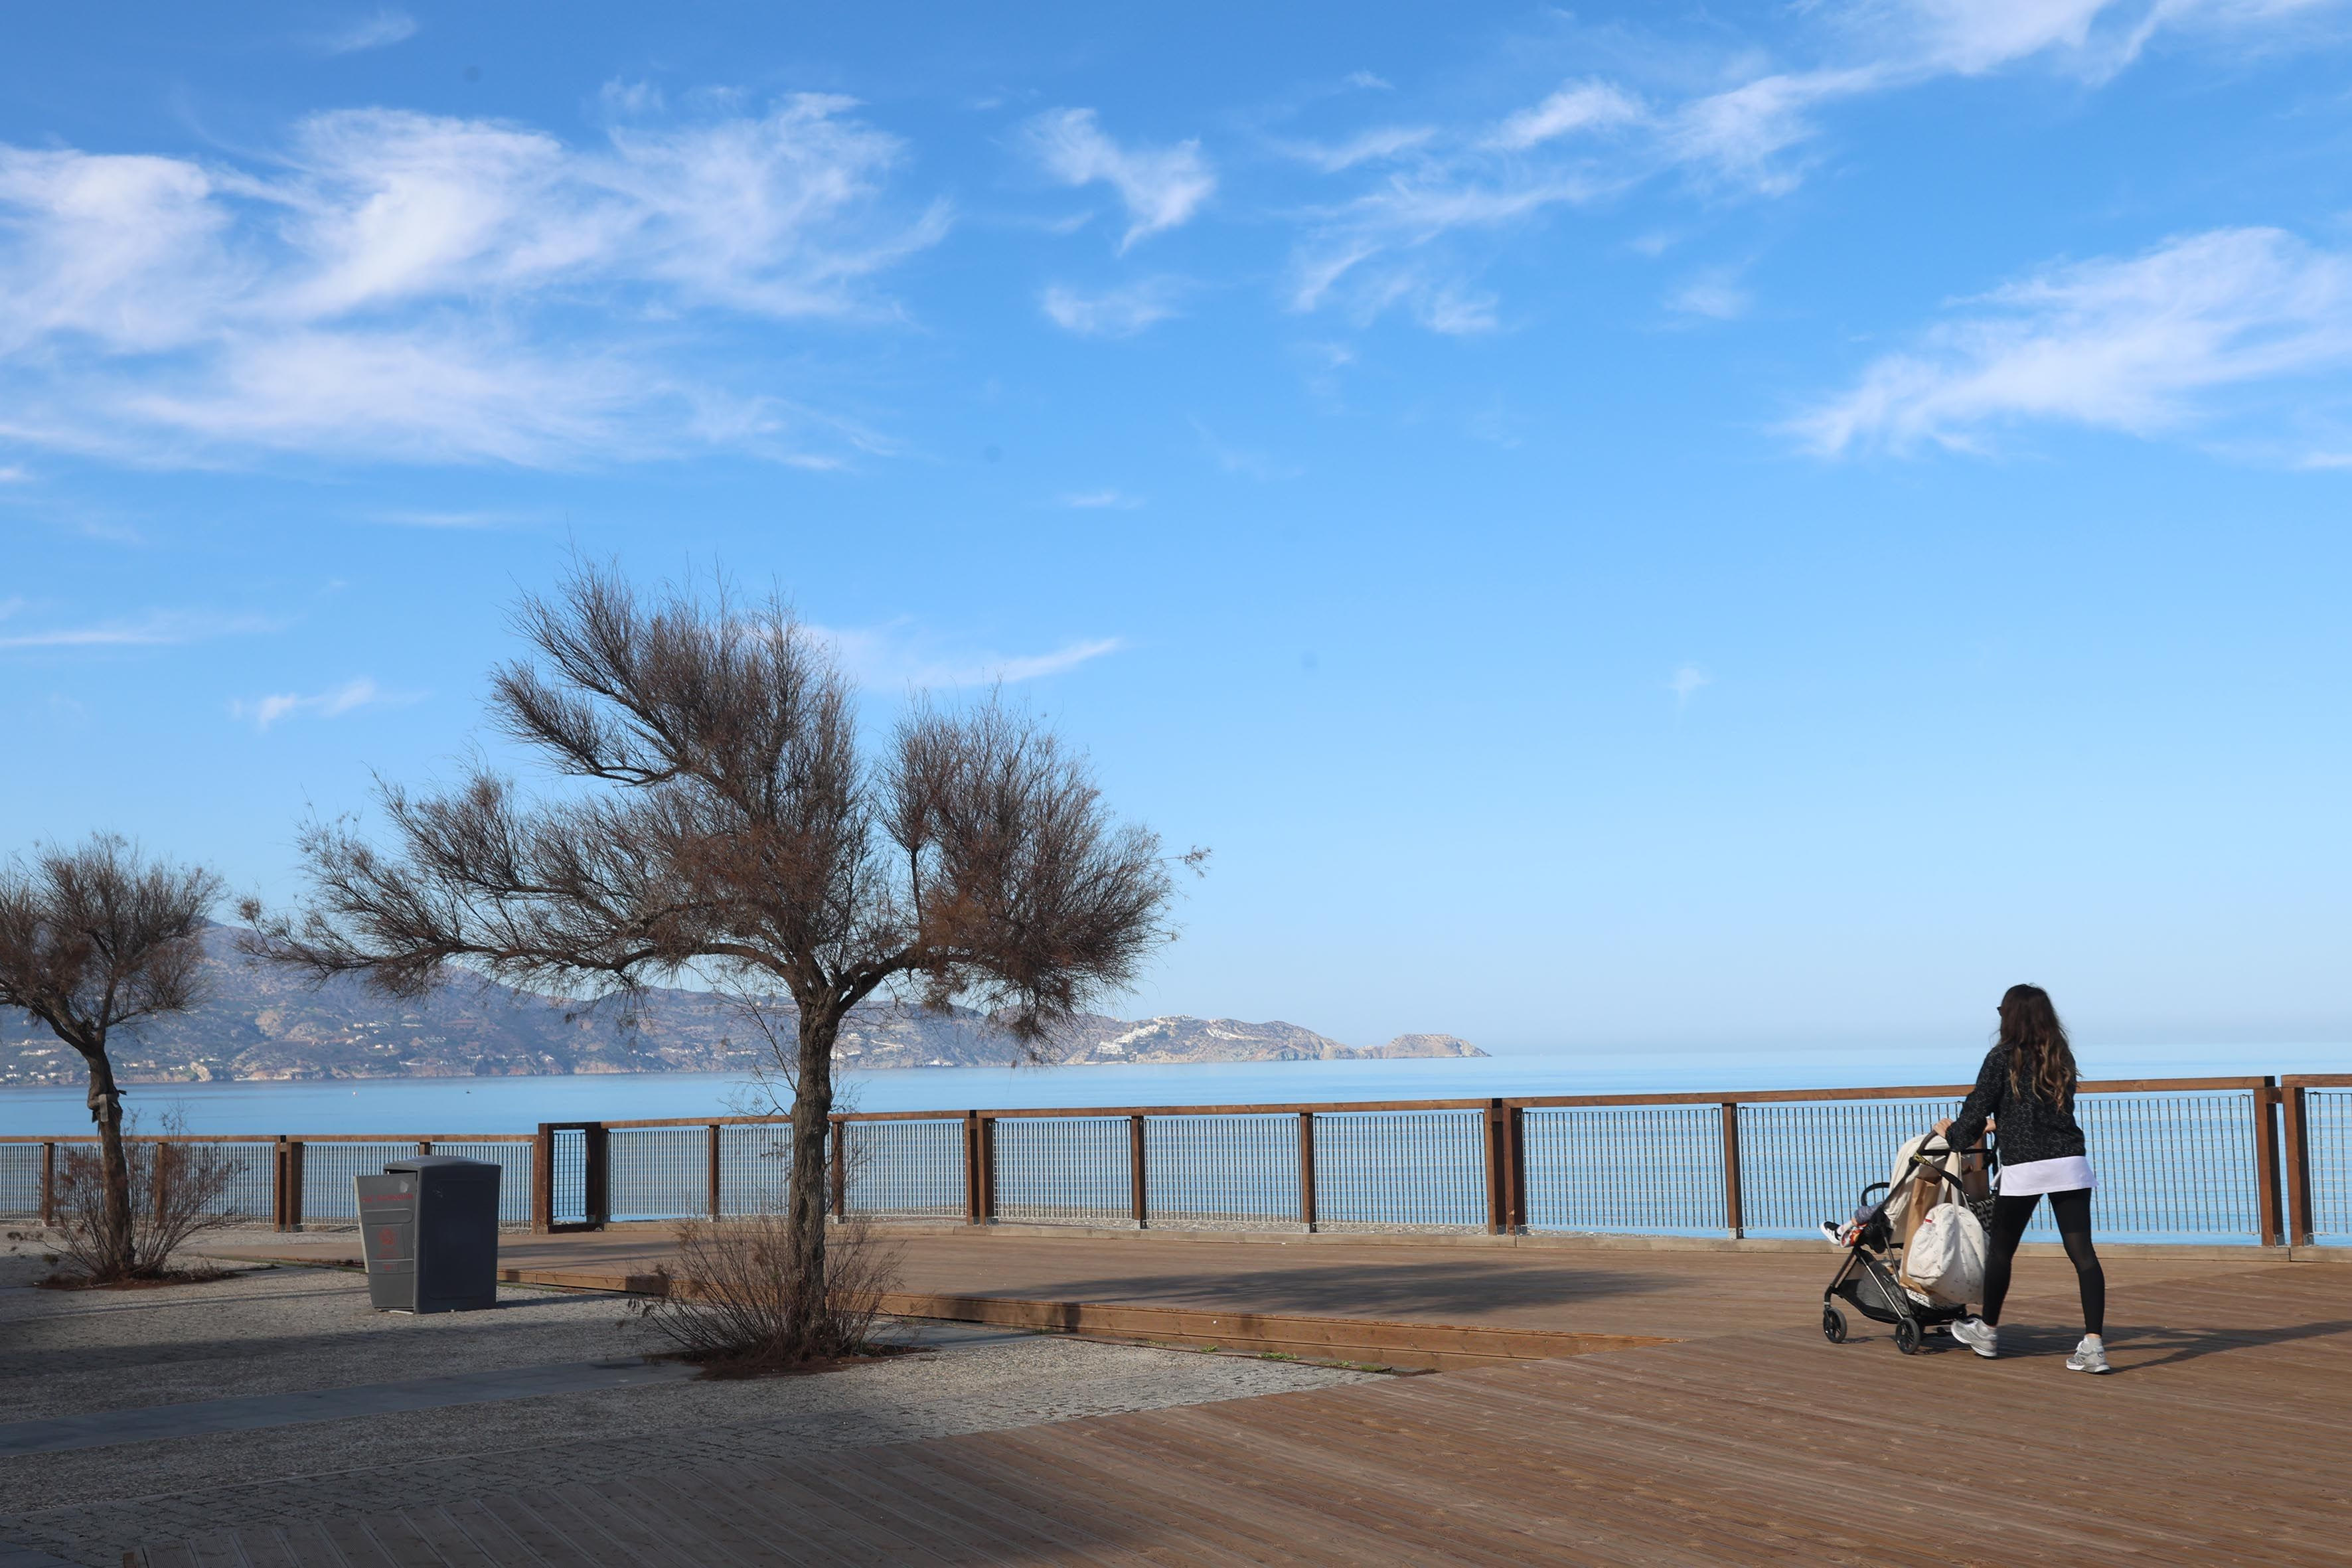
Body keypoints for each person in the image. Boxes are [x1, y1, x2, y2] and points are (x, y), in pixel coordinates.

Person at [1934, 983, 2110, 1373]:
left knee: (2002, 1251)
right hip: (2069, 1162)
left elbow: (1977, 1107)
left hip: (2025, 1167)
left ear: (2011, 1016)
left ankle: (1988, 1332)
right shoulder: (2059, 1054)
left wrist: (1953, 1134)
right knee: (2084, 1256)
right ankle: (2094, 1346)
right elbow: (2042, 1111)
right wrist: (2005, 1123)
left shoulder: (2002, 1057)